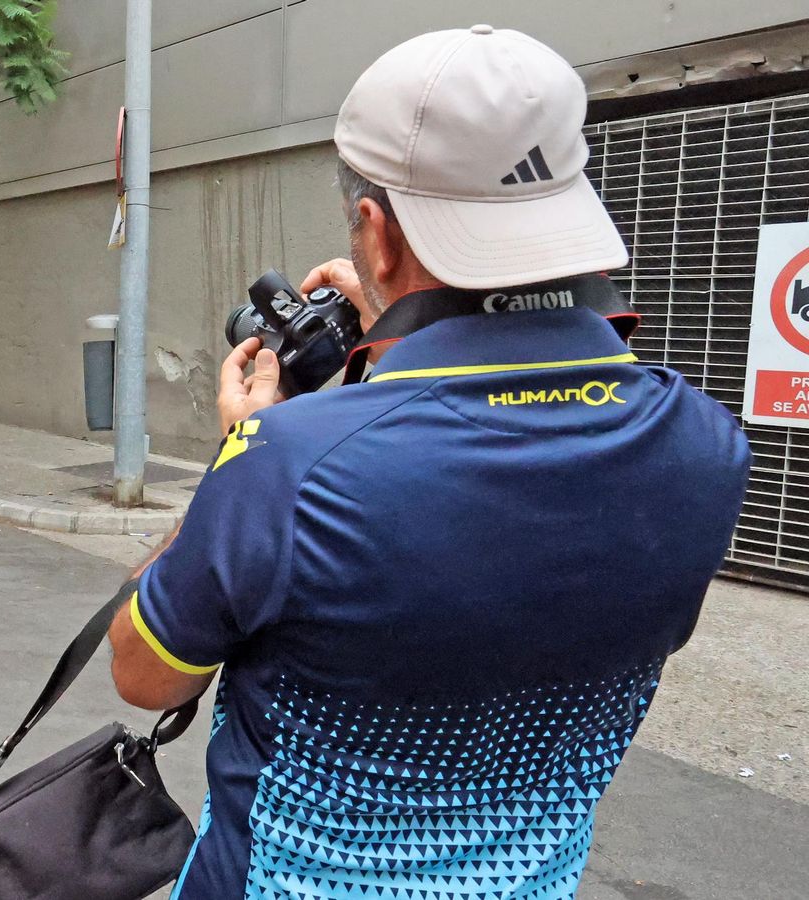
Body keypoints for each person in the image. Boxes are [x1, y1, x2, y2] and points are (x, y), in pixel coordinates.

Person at [104, 27, 752, 899]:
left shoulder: (288, 466)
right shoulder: (705, 442)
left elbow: (144, 674)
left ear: (375, 234)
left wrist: (240, 455)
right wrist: (392, 351)